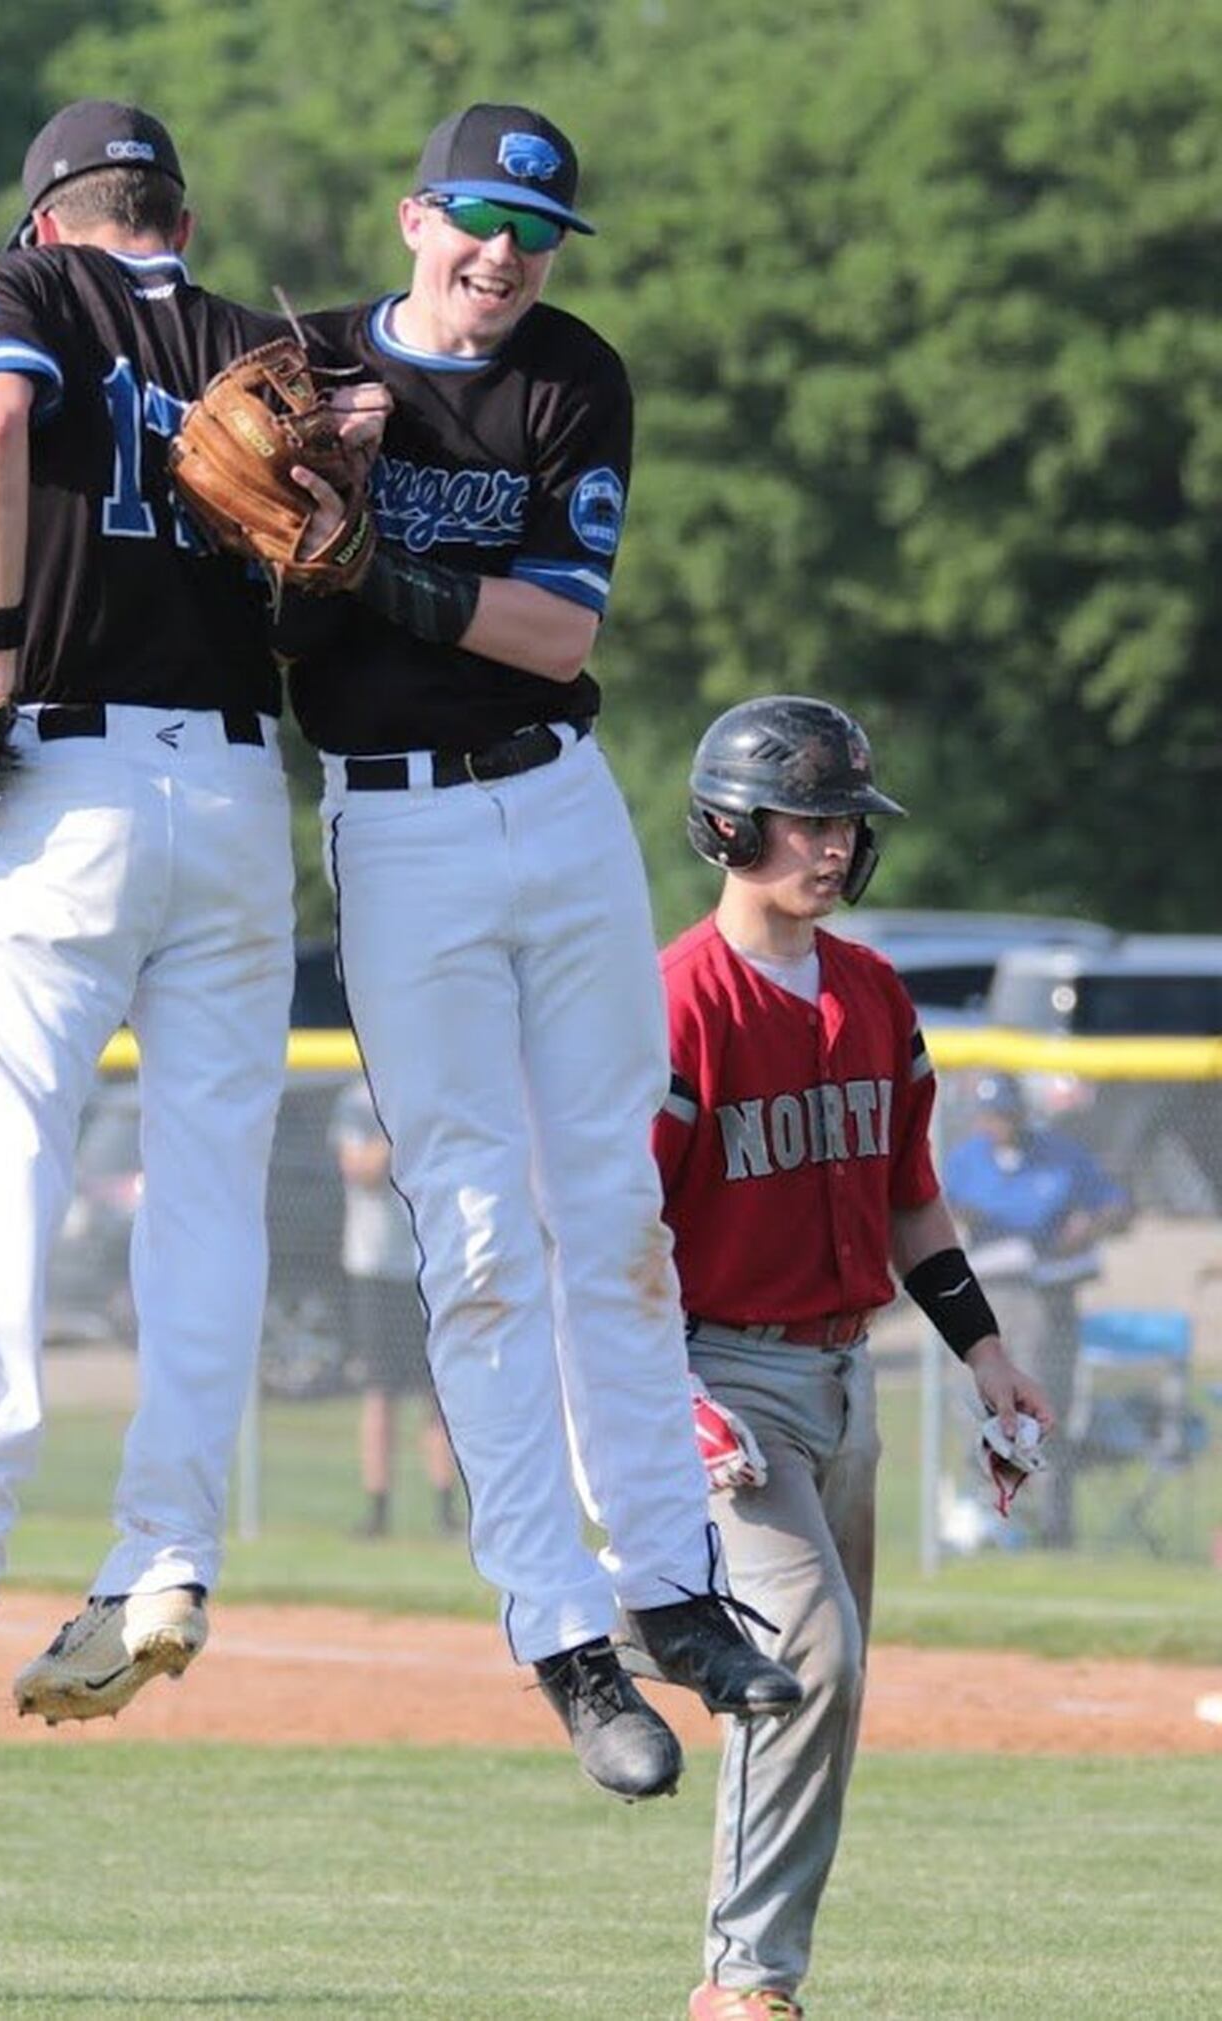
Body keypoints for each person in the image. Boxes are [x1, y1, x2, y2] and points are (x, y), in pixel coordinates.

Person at [285, 103, 803, 1805]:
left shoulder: (574, 373)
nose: (503, 256)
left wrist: (383, 565)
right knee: (485, 1238)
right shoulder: (296, 367)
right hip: (400, 827)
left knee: (618, 1215)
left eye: (534, 232)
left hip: (560, 801)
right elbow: (239, 572)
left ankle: (673, 1592)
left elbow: (559, 625)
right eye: (480, 220)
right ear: (415, 211)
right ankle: (563, 1639)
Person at [0, 100, 383, 1724]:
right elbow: (363, 431)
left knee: (3, 1168)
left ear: (47, 223)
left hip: (71, 788)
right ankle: (167, 1557)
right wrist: (350, 430)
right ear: (176, 215)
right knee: (209, 1202)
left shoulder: (20, 293)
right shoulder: (257, 339)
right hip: (238, 801)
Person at [652, 694, 1056, 2020]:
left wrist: (985, 1351)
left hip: (845, 1377)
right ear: (729, 823)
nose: (835, 844)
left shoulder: (875, 994)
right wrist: (667, 1394)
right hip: (719, 1370)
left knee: (829, 1681)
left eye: (844, 821)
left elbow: (910, 1200)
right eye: (809, 817)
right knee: (809, 1653)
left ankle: (607, 1624)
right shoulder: (679, 1004)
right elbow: (607, 1232)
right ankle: (745, 1983)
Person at [943, 1071, 1131, 1547]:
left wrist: (1088, 1226)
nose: (997, 1125)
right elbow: (937, 1213)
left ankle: (1052, 1529)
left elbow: (1116, 1204)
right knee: (982, 1413)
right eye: (988, 1116)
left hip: (1049, 1299)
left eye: (1004, 1115)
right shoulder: (966, 1160)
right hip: (987, 1299)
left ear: (1021, 1114)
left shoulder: (1059, 1154)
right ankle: (990, 1525)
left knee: (1047, 1414)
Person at [329, 1075, 460, 1539]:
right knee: (380, 1389)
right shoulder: (357, 1100)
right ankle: (378, 1509)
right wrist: (401, 1131)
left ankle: (447, 1511)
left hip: (429, 1264)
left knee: (437, 1393)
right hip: (375, 1266)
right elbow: (361, 1170)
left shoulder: (431, 1088)